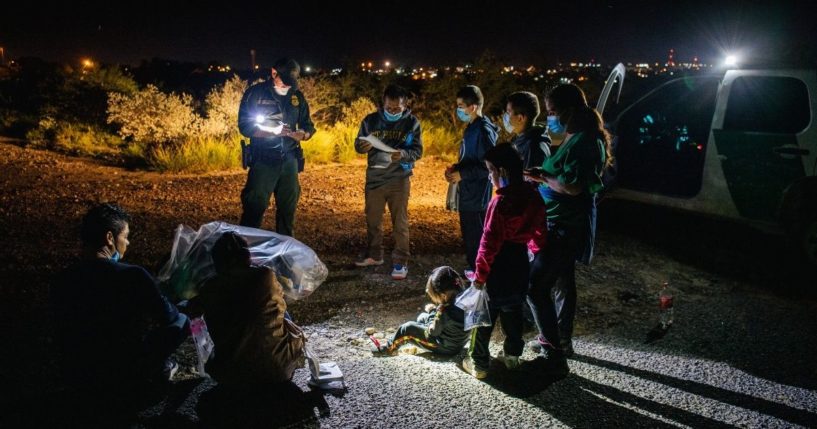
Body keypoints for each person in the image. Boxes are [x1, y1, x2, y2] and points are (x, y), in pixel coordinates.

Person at [51, 203, 189, 391]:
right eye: (125, 236)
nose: (128, 243)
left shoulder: (64, 278)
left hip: (76, 369)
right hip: (123, 370)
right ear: (110, 238)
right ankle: (177, 373)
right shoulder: (132, 275)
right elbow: (168, 316)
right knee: (183, 320)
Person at [524, 83, 612, 365]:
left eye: (552, 112)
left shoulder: (587, 141)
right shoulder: (578, 136)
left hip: (565, 224)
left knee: (535, 287)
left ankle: (553, 349)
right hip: (557, 220)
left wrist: (543, 178)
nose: (551, 118)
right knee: (562, 283)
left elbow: (572, 187)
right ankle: (560, 340)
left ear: (569, 110)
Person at [461, 144, 547, 379]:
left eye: (490, 171)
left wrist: (479, 277)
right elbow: (540, 231)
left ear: (502, 171)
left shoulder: (500, 202)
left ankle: (478, 363)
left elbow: (488, 243)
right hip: (520, 261)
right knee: (513, 311)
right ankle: (512, 356)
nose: (489, 176)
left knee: (484, 317)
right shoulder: (533, 196)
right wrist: (533, 250)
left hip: (498, 265)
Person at [196, 231, 306, 386]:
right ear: (246, 256)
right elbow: (280, 301)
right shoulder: (264, 276)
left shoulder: (209, 287)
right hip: (277, 370)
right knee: (281, 314)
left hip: (231, 376)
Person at [237, 58, 316, 237]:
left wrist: (303, 134)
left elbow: (308, 125)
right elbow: (245, 127)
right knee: (254, 207)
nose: (288, 86)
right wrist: (273, 132)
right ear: (274, 73)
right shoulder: (255, 93)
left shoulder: (297, 97)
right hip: (263, 160)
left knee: (288, 210)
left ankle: (285, 253)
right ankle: (244, 251)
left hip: (289, 160)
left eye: (292, 82)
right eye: (285, 80)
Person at [353, 84, 423, 280]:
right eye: (389, 108)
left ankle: (401, 261)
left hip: (399, 179)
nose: (392, 112)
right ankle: (375, 255)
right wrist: (363, 146)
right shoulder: (370, 120)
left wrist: (403, 154)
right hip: (375, 178)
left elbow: (418, 151)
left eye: (397, 109)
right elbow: (358, 144)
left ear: (405, 105)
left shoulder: (412, 123)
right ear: (382, 104)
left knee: (399, 223)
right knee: (373, 220)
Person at [445, 85, 498, 275]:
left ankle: (480, 274)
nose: (458, 110)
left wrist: (463, 174)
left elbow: (488, 166)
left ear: (473, 107)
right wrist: (456, 169)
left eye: (461, 106)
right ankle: (475, 269)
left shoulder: (483, 130)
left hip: (476, 194)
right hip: (469, 191)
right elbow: (472, 159)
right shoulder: (472, 127)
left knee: (475, 235)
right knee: (470, 233)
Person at [369, 266, 468, 356]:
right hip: (458, 342)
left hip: (445, 347)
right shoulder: (464, 297)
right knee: (422, 317)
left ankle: (389, 348)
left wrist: (433, 311)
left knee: (408, 328)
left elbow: (433, 332)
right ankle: (413, 339)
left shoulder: (445, 310)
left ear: (443, 295)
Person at [504, 91, 551, 170]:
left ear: (520, 118)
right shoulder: (522, 140)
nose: (505, 116)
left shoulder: (533, 147)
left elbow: (530, 180)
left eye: (508, 112)